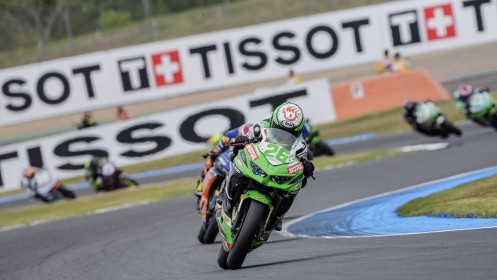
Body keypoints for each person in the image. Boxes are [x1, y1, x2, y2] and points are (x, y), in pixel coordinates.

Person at [219, 102, 315, 231]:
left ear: (297, 130)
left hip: (278, 170)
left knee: (295, 187)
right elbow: (244, 141)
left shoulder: (300, 143)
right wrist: (241, 140)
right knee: (235, 162)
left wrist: (307, 168)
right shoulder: (261, 126)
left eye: (289, 132)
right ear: (274, 122)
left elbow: (303, 169)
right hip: (258, 161)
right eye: (281, 129)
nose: (284, 134)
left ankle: (276, 217)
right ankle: (224, 196)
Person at [194, 124, 253, 205]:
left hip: (238, 167)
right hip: (224, 162)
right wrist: (216, 151)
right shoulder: (234, 133)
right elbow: (223, 142)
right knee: (210, 160)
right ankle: (200, 185)